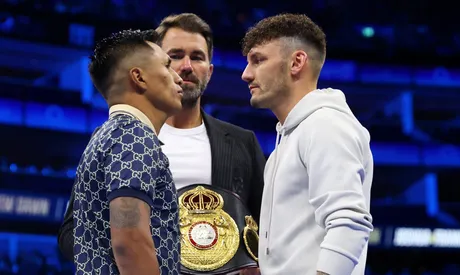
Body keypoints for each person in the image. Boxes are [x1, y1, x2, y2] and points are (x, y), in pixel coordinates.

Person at [58, 13, 265, 275]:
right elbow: (123, 236)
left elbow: (265, 225)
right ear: (142, 73)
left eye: (197, 57)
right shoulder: (133, 137)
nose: (183, 69)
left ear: (210, 70)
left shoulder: (241, 142)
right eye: (172, 59)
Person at [241, 14, 374, 275]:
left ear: (296, 62)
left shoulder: (325, 125)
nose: (246, 74)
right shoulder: (290, 139)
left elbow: (349, 224)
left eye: (258, 60)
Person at [72, 29, 183, 275]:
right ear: (139, 78)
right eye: (167, 66)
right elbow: (129, 241)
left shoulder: (107, 134)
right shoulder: (133, 135)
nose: (178, 77)